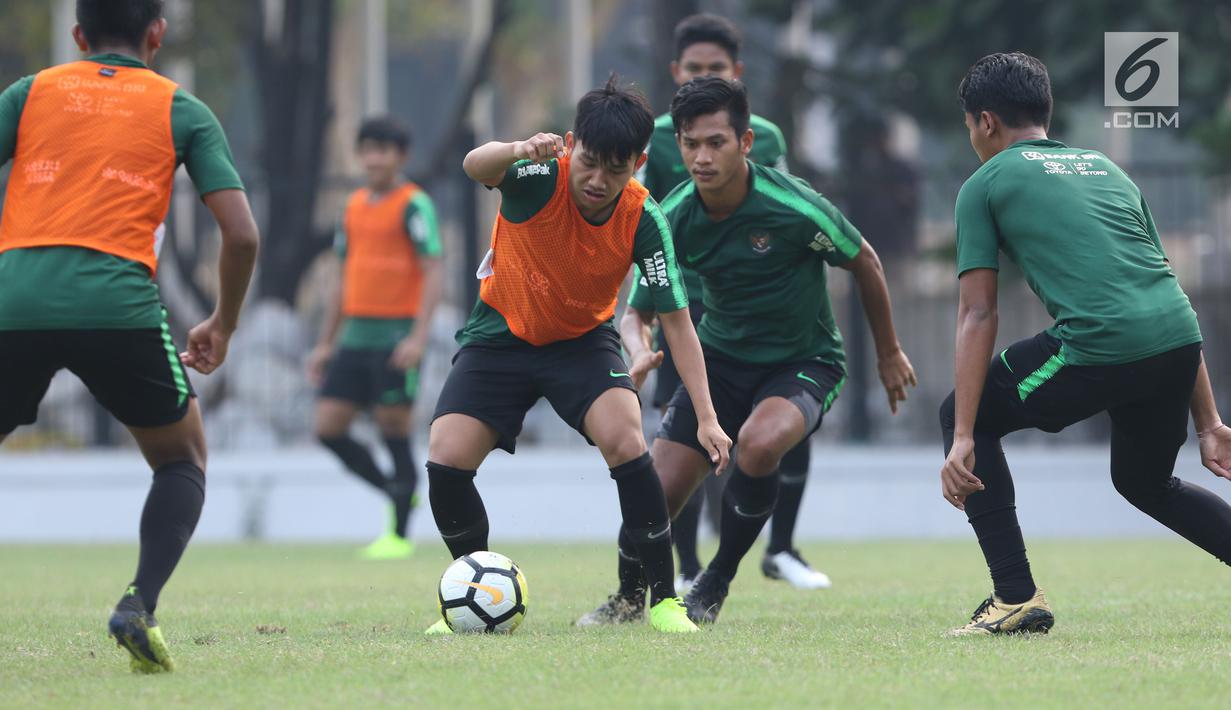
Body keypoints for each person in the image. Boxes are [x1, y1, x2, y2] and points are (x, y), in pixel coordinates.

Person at [579, 77, 916, 626]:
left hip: (804, 362)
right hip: (719, 363)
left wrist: (889, 352)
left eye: (717, 142)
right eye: (691, 144)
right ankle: (625, 599)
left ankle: (716, 581)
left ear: (746, 142)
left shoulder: (793, 206)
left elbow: (866, 262)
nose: (702, 157)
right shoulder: (675, 215)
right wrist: (638, 347)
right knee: (653, 492)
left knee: (758, 446)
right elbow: (636, 308)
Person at [0, 0, 259, 672]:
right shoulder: (183, 109)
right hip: (118, 305)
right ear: (157, 35)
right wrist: (221, 324)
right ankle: (137, 604)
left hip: (16, 298)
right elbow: (242, 234)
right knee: (181, 460)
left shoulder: (29, 93)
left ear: (80, 35)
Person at [422, 76, 731, 635]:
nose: (598, 180)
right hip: (500, 333)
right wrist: (519, 148)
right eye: (589, 162)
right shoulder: (539, 173)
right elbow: (473, 164)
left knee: (627, 437)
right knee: (446, 458)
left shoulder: (643, 217)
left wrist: (707, 417)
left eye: (616, 169)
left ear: (637, 163)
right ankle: (473, 595)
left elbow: (678, 323)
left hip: (581, 344)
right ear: (570, 144)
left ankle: (661, 601)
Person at [939, 52, 1231, 636]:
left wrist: (965, 433)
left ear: (986, 122)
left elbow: (977, 312)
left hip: (1101, 345)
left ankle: (1015, 597)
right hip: (1177, 340)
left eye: (970, 125)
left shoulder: (985, 183)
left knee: (960, 410)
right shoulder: (1106, 168)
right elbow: (1163, 290)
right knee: (1145, 483)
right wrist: (1209, 422)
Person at [636, 12, 828, 592]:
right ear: (676, 72)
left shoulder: (765, 138)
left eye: (715, 68)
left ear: (735, 73)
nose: (702, 155)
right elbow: (642, 219)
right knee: (688, 439)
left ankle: (782, 548)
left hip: (759, 307)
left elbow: (788, 211)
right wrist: (638, 311)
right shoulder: (656, 138)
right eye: (694, 67)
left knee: (777, 433)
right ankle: (689, 566)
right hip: (684, 309)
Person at [306, 117, 443, 560]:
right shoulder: (353, 207)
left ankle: (399, 535)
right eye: (367, 150)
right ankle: (396, 491)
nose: (373, 159)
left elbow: (433, 269)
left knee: (393, 428)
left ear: (400, 157)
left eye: (382, 150)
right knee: (328, 428)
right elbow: (342, 278)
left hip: (395, 336)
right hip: (354, 338)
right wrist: (326, 343)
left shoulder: (414, 205)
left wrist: (419, 337)